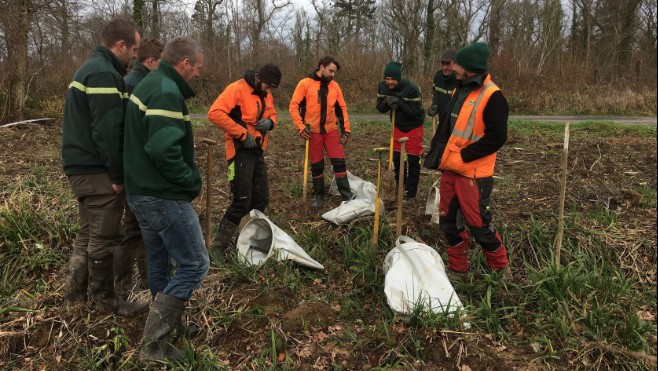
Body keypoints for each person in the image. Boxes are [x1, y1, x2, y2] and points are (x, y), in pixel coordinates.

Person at [124, 36, 209, 361]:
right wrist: (190, 181)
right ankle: (154, 347)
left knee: (158, 260)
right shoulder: (165, 92)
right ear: (184, 63)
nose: (199, 74)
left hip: (141, 194)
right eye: (198, 68)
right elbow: (161, 149)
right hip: (161, 195)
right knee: (195, 264)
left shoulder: (151, 84)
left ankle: (167, 326)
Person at [61, 18, 146, 316]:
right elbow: (108, 130)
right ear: (120, 45)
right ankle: (104, 300)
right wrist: (117, 175)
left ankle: (75, 298)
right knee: (104, 235)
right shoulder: (103, 74)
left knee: (87, 233)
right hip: (96, 169)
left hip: (80, 168)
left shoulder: (92, 68)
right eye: (134, 49)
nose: (135, 55)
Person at [427, 42, 511, 277]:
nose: (454, 68)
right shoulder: (460, 88)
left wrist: (464, 156)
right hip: (451, 169)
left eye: (459, 65)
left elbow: (497, 137)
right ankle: (458, 270)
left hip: (473, 174)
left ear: (471, 67)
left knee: (479, 225)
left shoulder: (493, 96)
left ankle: (502, 271)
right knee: (448, 222)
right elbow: (450, 128)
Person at [207, 63, 282, 261]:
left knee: (261, 199)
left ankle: (246, 238)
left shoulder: (267, 94)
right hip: (239, 151)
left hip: (257, 150)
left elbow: (273, 114)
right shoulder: (236, 89)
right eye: (268, 86)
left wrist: (271, 123)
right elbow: (214, 114)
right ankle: (217, 248)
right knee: (241, 200)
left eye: (272, 88)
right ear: (259, 78)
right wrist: (242, 134)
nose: (269, 91)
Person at [115, 37, 164, 299]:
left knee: (140, 226)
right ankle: (124, 286)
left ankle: (144, 280)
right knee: (136, 227)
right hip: (135, 169)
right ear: (151, 61)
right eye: (161, 62)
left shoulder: (132, 81)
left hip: (131, 167)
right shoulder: (138, 85)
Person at [289, 55, 352, 209]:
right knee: (317, 165)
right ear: (321, 67)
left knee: (339, 162)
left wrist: (346, 130)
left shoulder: (335, 86)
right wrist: (301, 127)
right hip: (313, 132)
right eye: (331, 71)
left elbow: (341, 108)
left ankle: (347, 196)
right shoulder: (305, 84)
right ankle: (319, 196)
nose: (333, 75)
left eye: (335, 72)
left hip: (331, 130)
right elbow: (293, 107)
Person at [376, 61, 426, 198]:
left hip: (414, 126)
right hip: (397, 125)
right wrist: (387, 102)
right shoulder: (382, 87)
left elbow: (415, 112)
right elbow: (380, 108)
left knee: (413, 160)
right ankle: (399, 187)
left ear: (399, 78)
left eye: (392, 79)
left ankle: (411, 193)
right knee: (397, 159)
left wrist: (399, 102)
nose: (389, 82)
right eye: (387, 78)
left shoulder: (412, 89)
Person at [427, 48, 457, 127]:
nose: (444, 67)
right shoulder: (438, 77)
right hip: (442, 122)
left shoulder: (461, 80)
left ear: (456, 64)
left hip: (457, 125)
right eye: (442, 64)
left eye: (448, 64)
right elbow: (435, 96)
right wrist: (435, 105)